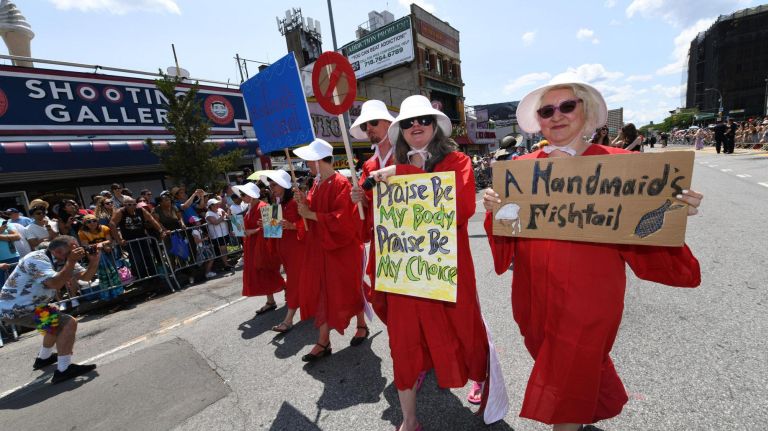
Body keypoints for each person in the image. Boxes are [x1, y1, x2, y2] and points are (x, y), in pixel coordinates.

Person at [483, 79, 703, 431]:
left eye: (567, 106)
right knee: (559, 361)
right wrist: (495, 210)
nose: (557, 116)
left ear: (585, 113)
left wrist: (672, 211)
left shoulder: (623, 166)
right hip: (533, 294)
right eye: (546, 110)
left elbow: (644, 226)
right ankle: (584, 407)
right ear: (538, 121)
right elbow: (508, 230)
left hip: (590, 297)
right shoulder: (519, 169)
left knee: (571, 366)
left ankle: (569, 418)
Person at [368, 95, 494, 431]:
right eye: (407, 122)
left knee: (464, 327)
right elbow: (381, 222)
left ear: (435, 124)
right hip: (405, 271)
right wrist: (365, 198)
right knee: (403, 340)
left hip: (447, 268)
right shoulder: (386, 172)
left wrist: (402, 172)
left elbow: (462, 208)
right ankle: (409, 418)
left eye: (422, 119)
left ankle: (480, 377)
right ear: (400, 131)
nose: (415, 126)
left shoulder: (456, 160)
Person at [293, 139, 366, 362]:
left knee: (349, 288)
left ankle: (361, 324)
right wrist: (303, 202)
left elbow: (343, 220)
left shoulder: (341, 183)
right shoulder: (316, 184)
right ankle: (323, 341)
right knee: (322, 292)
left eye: (309, 159)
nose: (306, 163)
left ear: (318, 160)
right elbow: (313, 212)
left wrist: (310, 214)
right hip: (321, 249)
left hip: (342, 249)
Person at [0, 236, 99, 384]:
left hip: (32, 307)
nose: (78, 251)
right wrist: (71, 261)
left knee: (52, 324)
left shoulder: (65, 259)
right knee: (68, 323)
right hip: (17, 309)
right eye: (74, 248)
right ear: (59, 251)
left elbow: (85, 278)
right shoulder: (36, 258)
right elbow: (55, 283)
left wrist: (94, 260)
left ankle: (43, 359)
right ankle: (64, 370)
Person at [348, 100, 396, 322]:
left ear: (388, 123)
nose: (369, 129)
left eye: (373, 122)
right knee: (382, 296)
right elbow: (369, 204)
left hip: (408, 237)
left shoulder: (405, 154)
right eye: (366, 125)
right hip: (381, 240)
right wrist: (360, 200)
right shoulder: (369, 165)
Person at [257, 170, 306, 333]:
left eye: (274, 185)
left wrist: (293, 226)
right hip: (284, 250)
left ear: (284, 185)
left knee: (294, 283)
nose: (272, 189)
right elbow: (275, 231)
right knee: (303, 281)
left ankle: (288, 319)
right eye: (270, 186)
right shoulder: (277, 205)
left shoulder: (296, 202)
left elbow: (308, 225)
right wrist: (267, 225)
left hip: (298, 250)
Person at [233, 182, 285, 314]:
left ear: (251, 195)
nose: (241, 197)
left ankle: (289, 290)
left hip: (264, 246)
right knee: (262, 273)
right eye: (241, 194)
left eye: (243, 194)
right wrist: (239, 230)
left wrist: (253, 231)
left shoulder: (265, 206)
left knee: (268, 271)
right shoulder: (249, 208)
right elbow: (248, 227)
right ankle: (270, 300)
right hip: (253, 246)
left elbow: (274, 230)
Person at [110, 197, 168, 279]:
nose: (132, 206)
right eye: (129, 205)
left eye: (134, 204)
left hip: (142, 238)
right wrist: (119, 239)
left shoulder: (140, 210)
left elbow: (151, 219)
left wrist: (160, 230)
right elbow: (112, 224)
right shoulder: (120, 212)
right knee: (137, 260)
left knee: (148, 257)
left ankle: (155, 277)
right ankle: (141, 278)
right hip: (130, 241)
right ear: (124, 205)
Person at [78, 214, 123, 300]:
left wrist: (101, 244)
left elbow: (109, 240)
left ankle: (118, 291)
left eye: (94, 220)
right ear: (85, 224)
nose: (92, 223)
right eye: (89, 221)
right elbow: (85, 245)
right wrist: (99, 245)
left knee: (113, 271)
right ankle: (107, 294)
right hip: (95, 255)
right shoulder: (82, 232)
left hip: (108, 252)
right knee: (102, 275)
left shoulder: (104, 228)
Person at [205, 198, 233, 271]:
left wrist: (227, 213)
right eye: (215, 204)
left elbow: (227, 217)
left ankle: (225, 264)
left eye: (217, 204)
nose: (217, 205)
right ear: (210, 206)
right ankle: (226, 265)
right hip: (217, 236)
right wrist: (222, 216)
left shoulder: (220, 209)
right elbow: (215, 222)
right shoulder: (208, 214)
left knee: (224, 250)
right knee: (222, 250)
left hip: (225, 233)